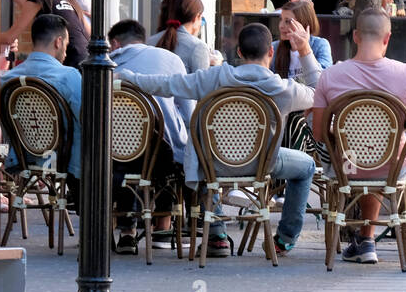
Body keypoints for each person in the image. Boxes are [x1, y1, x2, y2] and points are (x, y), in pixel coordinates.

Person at [122, 22, 318, 258]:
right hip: (264, 163)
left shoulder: (214, 78)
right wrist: (305, 51)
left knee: (204, 155)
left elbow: (166, 84)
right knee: (307, 166)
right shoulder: (285, 89)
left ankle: (216, 235)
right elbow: (320, 92)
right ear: (271, 52)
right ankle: (284, 240)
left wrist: (128, 76)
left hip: (214, 165)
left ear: (238, 52)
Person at [311, 8, 406, 264]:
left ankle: (366, 240)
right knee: (386, 153)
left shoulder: (330, 76)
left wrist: (348, 136)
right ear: (387, 38)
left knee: (355, 153)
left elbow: (319, 133)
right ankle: (367, 239)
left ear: (355, 36)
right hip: (392, 168)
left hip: (347, 166)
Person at [108, 18, 191, 254]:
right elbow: (188, 111)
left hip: (117, 158)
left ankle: (126, 231)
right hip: (162, 158)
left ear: (114, 43)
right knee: (170, 143)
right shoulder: (171, 59)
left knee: (124, 148)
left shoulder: (105, 66)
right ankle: (163, 228)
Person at [4, 14, 83, 190]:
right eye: (67, 45)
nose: (66, 51)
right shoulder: (69, 76)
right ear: (58, 42)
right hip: (65, 161)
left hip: (22, 158)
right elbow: (86, 118)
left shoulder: (7, 80)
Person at [149, 0, 215, 74]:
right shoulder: (198, 47)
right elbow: (203, 84)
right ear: (197, 17)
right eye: (201, 18)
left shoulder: (149, 42)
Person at [270, 0, 332, 80]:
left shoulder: (320, 45)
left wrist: (304, 49)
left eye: (287, 21)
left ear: (303, 23)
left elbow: (323, 80)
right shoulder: (274, 47)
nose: (281, 25)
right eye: (280, 19)